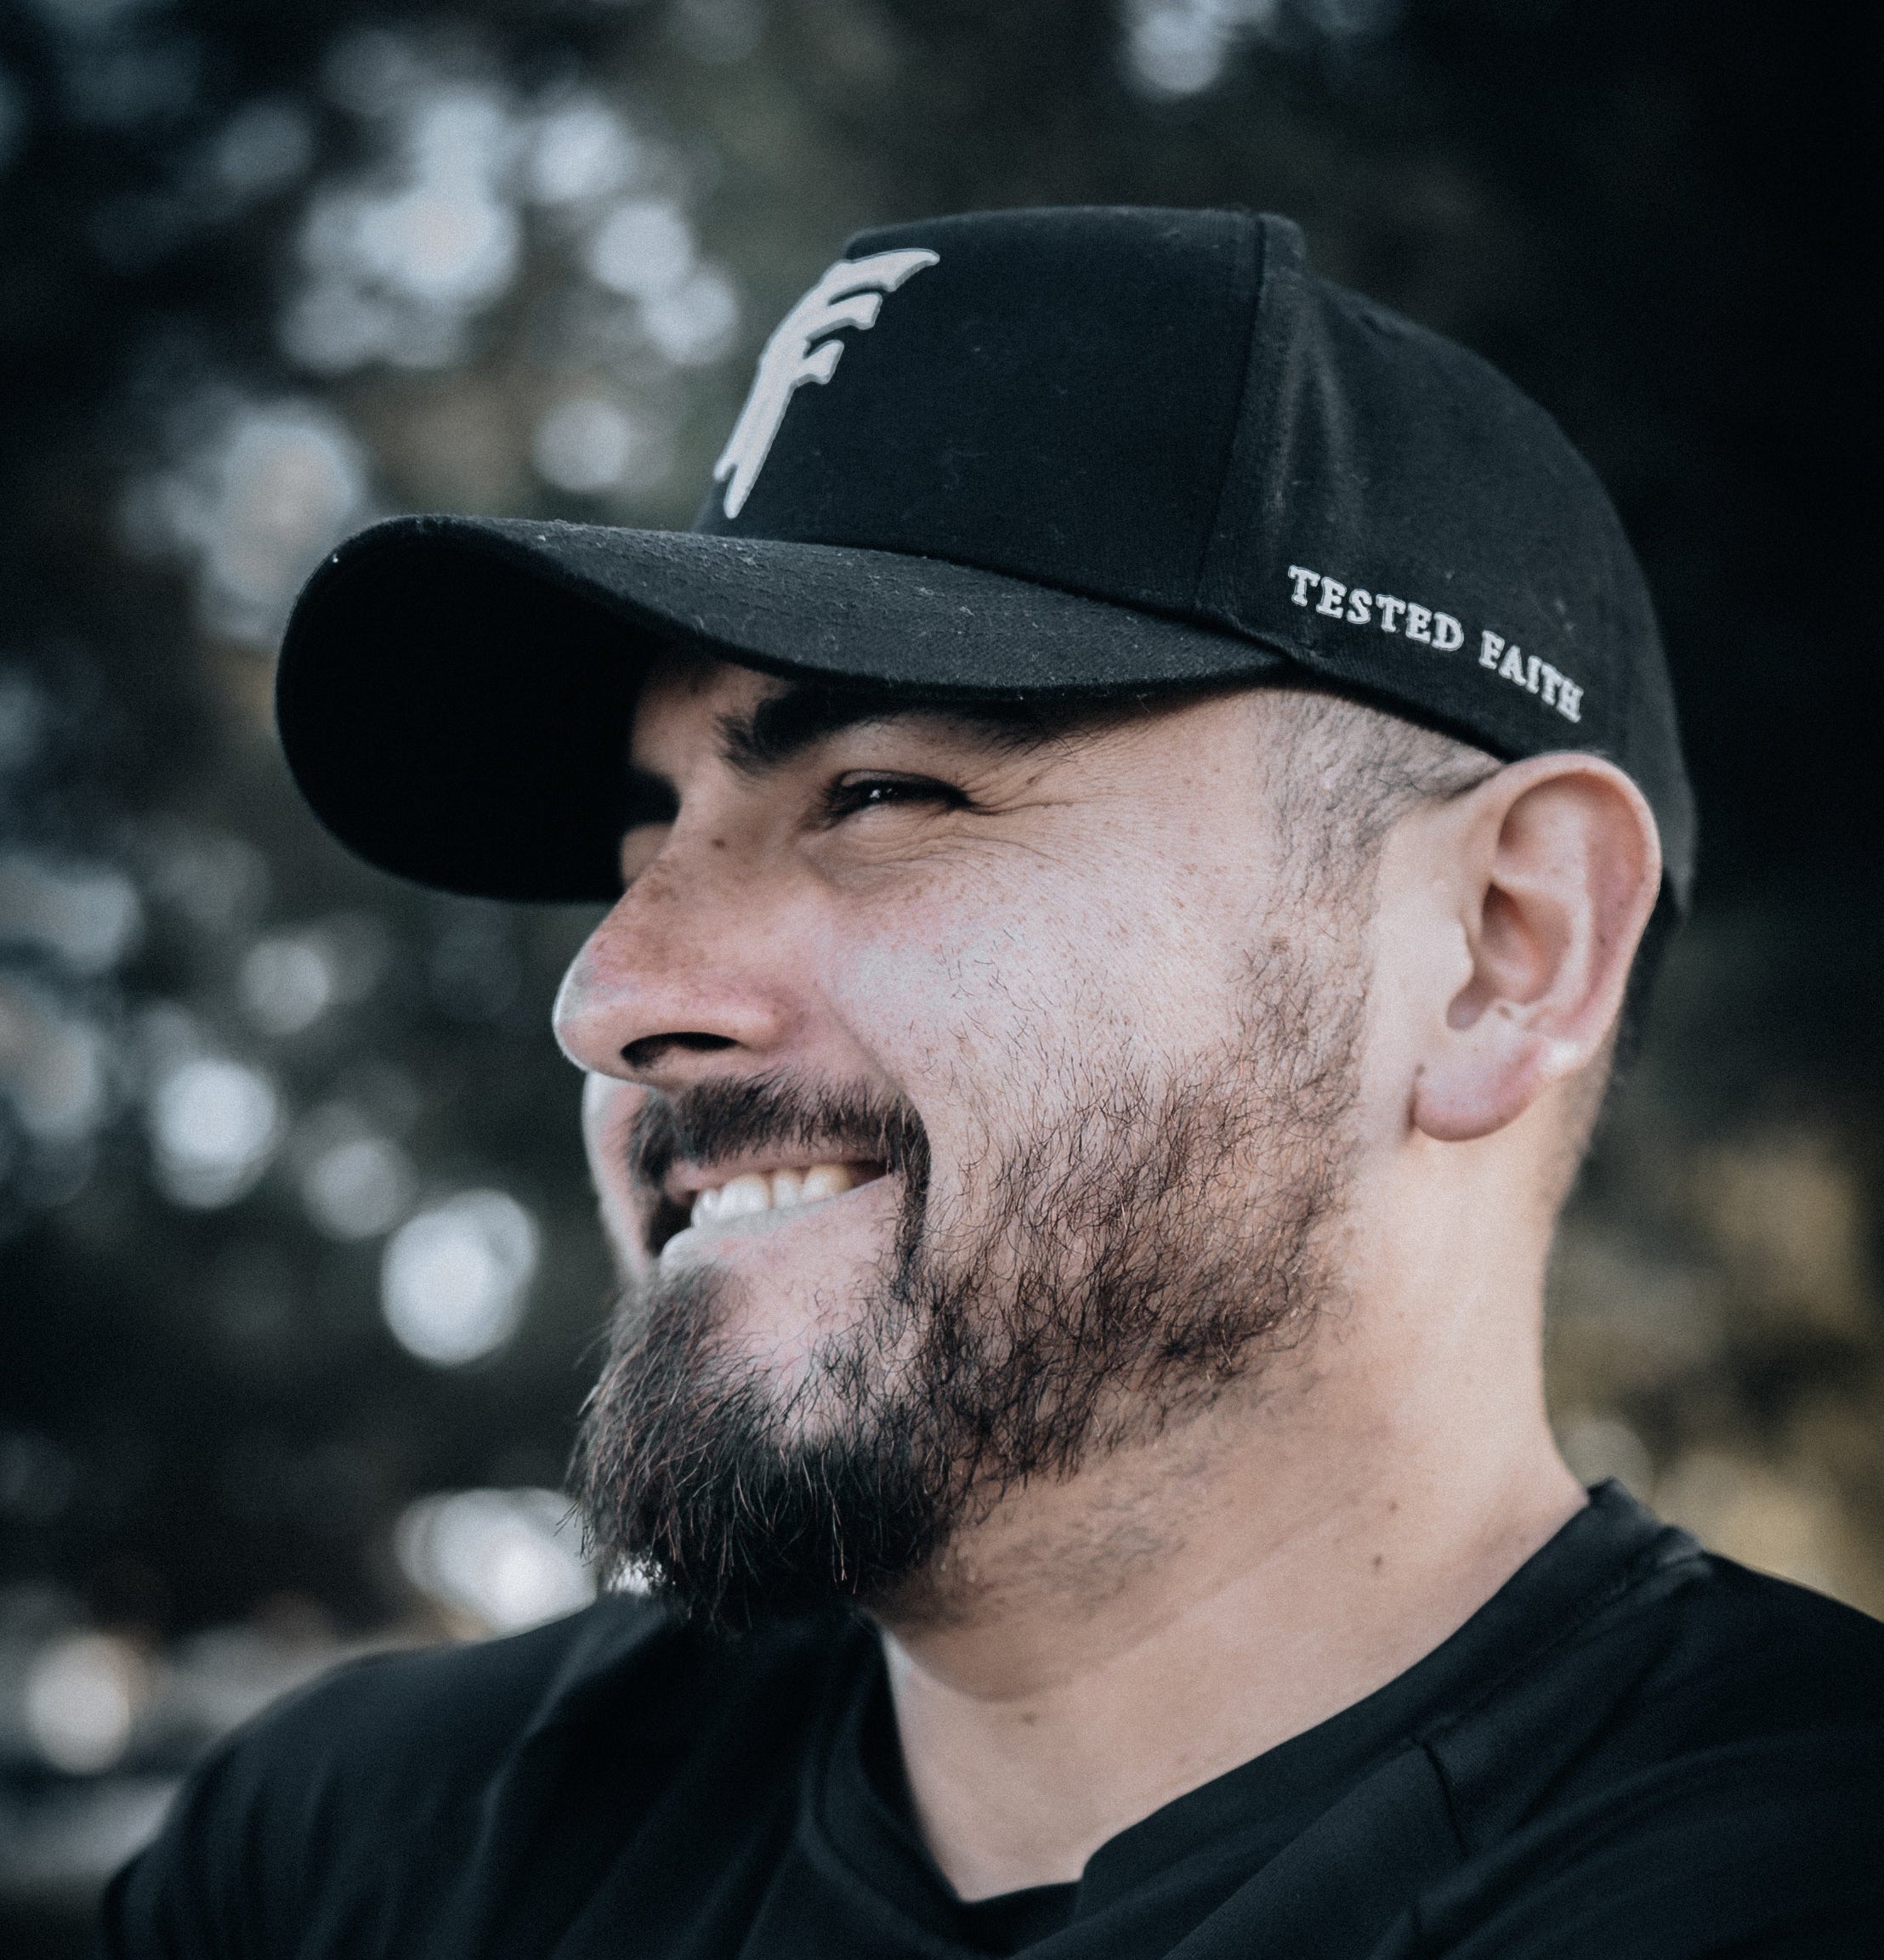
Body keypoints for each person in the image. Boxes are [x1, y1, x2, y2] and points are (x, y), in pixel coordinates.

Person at [100, 207, 1881, 1959]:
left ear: (1503, 948)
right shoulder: (360, 1859)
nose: (611, 996)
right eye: (644, 844)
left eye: (881, 793)